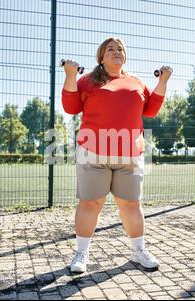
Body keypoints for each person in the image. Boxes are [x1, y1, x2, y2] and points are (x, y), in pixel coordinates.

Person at [61, 37, 172, 273]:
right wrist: (70, 76)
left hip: (129, 155)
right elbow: (70, 107)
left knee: (131, 204)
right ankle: (81, 253)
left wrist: (163, 81)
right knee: (90, 203)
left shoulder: (135, 82)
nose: (116, 51)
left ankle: (139, 251)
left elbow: (151, 110)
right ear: (101, 57)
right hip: (93, 153)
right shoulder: (88, 81)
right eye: (110, 49)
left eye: (120, 48)